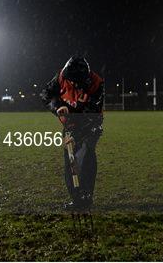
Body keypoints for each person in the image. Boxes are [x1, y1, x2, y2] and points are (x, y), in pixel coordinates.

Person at [40, 56, 104, 211]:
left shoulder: (96, 84)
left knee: (85, 156)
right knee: (70, 161)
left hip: (90, 125)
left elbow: (91, 113)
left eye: (76, 82)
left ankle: (86, 195)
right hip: (69, 125)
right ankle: (76, 198)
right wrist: (58, 107)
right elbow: (45, 94)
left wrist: (75, 135)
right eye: (71, 81)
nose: (73, 85)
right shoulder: (62, 76)